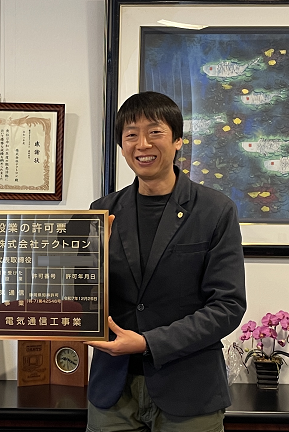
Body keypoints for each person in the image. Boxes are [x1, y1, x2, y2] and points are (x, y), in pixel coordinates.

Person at [86, 91, 246, 432]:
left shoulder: (215, 210)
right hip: (113, 393)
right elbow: (78, 291)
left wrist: (149, 343)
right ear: (122, 145)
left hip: (190, 391)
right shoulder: (102, 211)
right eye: (131, 134)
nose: (142, 144)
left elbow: (228, 306)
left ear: (177, 141)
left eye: (154, 132)